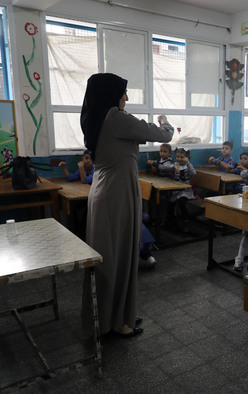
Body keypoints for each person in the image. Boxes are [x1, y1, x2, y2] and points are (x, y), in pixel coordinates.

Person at [81, 73, 173, 338]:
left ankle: (114, 315)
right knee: (119, 255)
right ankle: (119, 323)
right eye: (123, 92)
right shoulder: (116, 117)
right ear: (111, 94)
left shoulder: (95, 118)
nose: (127, 98)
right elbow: (161, 134)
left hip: (104, 190)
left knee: (108, 256)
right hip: (118, 193)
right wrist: (165, 121)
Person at [167, 148, 196, 231]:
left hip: (186, 190)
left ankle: (185, 220)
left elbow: (194, 173)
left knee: (181, 202)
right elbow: (169, 166)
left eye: (182, 157)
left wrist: (188, 163)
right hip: (176, 189)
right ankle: (171, 220)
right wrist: (174, 167)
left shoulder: (188, 165)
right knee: (170, 203)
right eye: (178, 157)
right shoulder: (175, 164)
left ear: (187, 158)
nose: (179, 159)